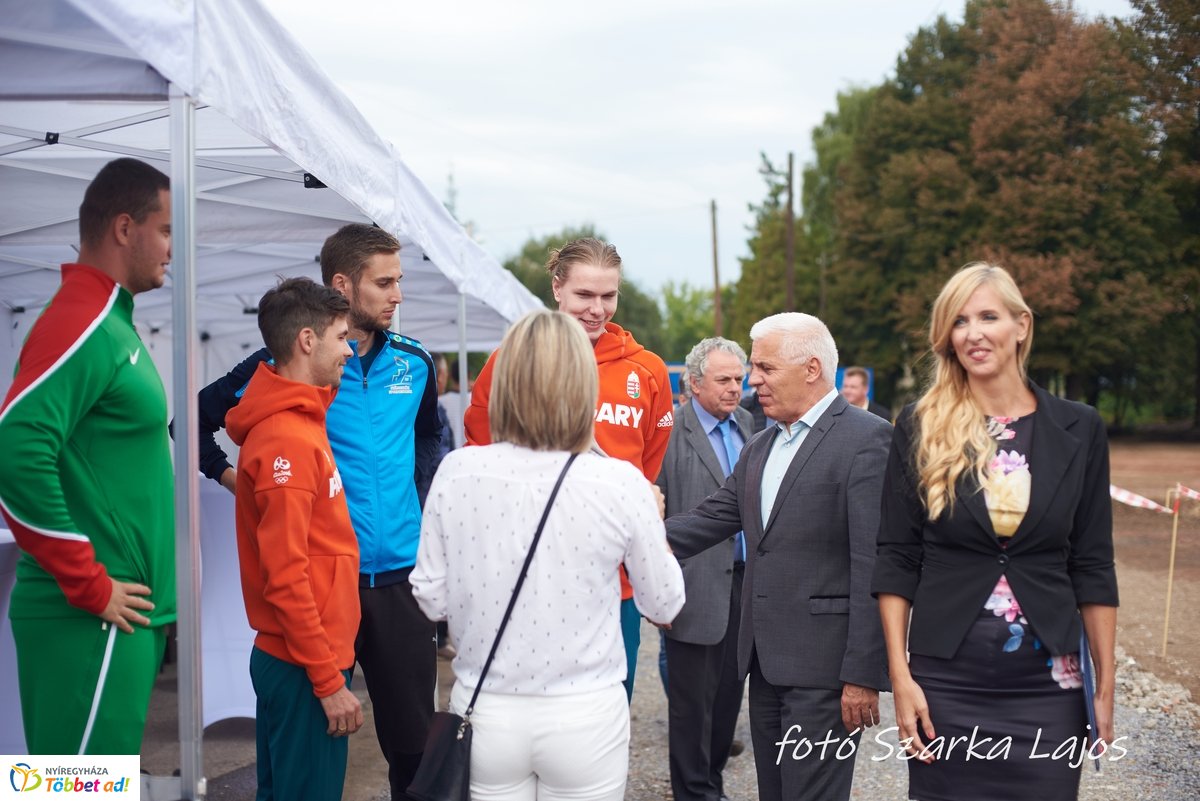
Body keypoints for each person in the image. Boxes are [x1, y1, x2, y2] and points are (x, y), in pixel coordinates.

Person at [194, 223, 441, 797]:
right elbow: (194, 420)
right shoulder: (286, 365)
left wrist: (418, 503)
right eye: (385, 283)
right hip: (323, 585)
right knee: (312, 740)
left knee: (413, 747)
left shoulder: (416, 362)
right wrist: (238, 483)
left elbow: (430, 438)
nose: (397, 295)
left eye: (398, 281)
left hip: (400, 577)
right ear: (343, 285)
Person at [412, 309, 685, 801]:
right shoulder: (619, 481)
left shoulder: (458, 470)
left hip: (485, 705)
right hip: (584, 712)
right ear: (583, 385)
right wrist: (655, 519)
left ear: (506, 382)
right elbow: (664, 603)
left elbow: (430, 601)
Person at [871, 263, 1119, 801]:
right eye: (959, 321)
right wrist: (900, 676)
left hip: (1050, 685)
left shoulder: (1081, 428)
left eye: (988, 316)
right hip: (946, 684)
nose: (973, 333)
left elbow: (1094, 563)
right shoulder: (919, 424)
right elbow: (895, 556)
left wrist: (1106, 686)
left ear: (1022, 325)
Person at [665, 312, 890, 801]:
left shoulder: (867, 439)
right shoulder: (761, 445)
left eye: (765, 368)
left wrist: (862, 674)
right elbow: (706, 521)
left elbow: (873, 563)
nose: (753, 380)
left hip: (826, 674)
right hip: (764, 667)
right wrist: (624, 537)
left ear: (811, 369)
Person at [0, 158, 175, 754]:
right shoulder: (83, 320)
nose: (172, 249)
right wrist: (88, 583)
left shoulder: (112, 323)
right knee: (71, 791)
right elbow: (15, 448)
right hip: (89, 619)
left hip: (113, 619)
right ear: (125, 228)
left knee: (85, 788)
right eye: (166, 230)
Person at [463, 237, 673, 701]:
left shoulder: (649, 371)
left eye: (608, 296)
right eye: (584, 295)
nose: (597, 309)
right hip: (529, 575)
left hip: (613, 583)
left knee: (607, 712)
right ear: (557, 289)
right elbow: (482, 453)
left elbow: (647, 465)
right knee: (531, 712)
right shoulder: (511, 361)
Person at [226, 278, 362, 800]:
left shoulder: (301, 423)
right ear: (307, 340)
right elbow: (286, 577)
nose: (349, 349)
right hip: (304, 665)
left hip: (303, 658)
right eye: (341, 337)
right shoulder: (285, 436)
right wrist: (328, 683)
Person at [656, 337, 754, 801]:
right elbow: (655, 514)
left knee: (728, 702)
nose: (736, 388)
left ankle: (711, 783)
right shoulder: (670, 432)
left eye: (740, 378)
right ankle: (694, 793)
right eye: (724, 380)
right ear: (693, 383)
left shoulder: (749, 425)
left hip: (744, 586)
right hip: (691, 589)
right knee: (692, 709)